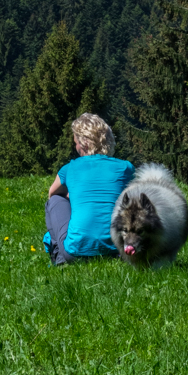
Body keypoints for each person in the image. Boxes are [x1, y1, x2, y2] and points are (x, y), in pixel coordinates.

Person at [44, 113, 134, 265]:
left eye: (76, 143)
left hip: (75, 252)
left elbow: (52, 193)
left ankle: (59, 256)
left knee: (55, 201)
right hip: (117, 249)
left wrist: (72, 196)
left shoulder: (70, 168)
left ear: (84, 144)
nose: (76, 147)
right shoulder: (126, 168)